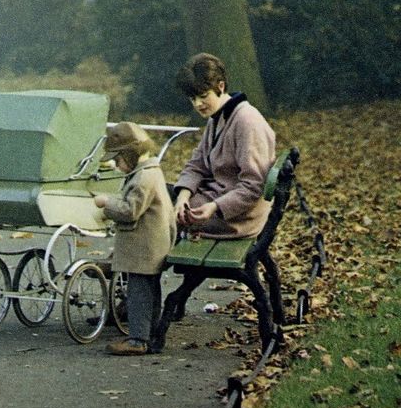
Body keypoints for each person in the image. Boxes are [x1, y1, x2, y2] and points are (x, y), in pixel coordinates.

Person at [93, 122, 177, 356]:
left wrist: (105, 203)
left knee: (139, 293)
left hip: (144, 247)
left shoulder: (143, 179)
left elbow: (130, 211)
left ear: (130, 154)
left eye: (118, 159)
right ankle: (151, 334)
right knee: (150, 291)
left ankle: (138, 339)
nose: (116, 165)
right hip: (153, 245)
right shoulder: (151, 172)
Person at [172, 53, 275, 239]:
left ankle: (144, 267)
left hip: (236, 217)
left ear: (220, 86)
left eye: (203, 96)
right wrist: (183, 197)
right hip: (212, 200)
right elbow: (197, 164)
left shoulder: (247, 121)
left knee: (153, 211)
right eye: (192, 98)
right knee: (158, 197)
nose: (198, 104)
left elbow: (253, 186)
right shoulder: (217, 117)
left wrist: (215, 207)